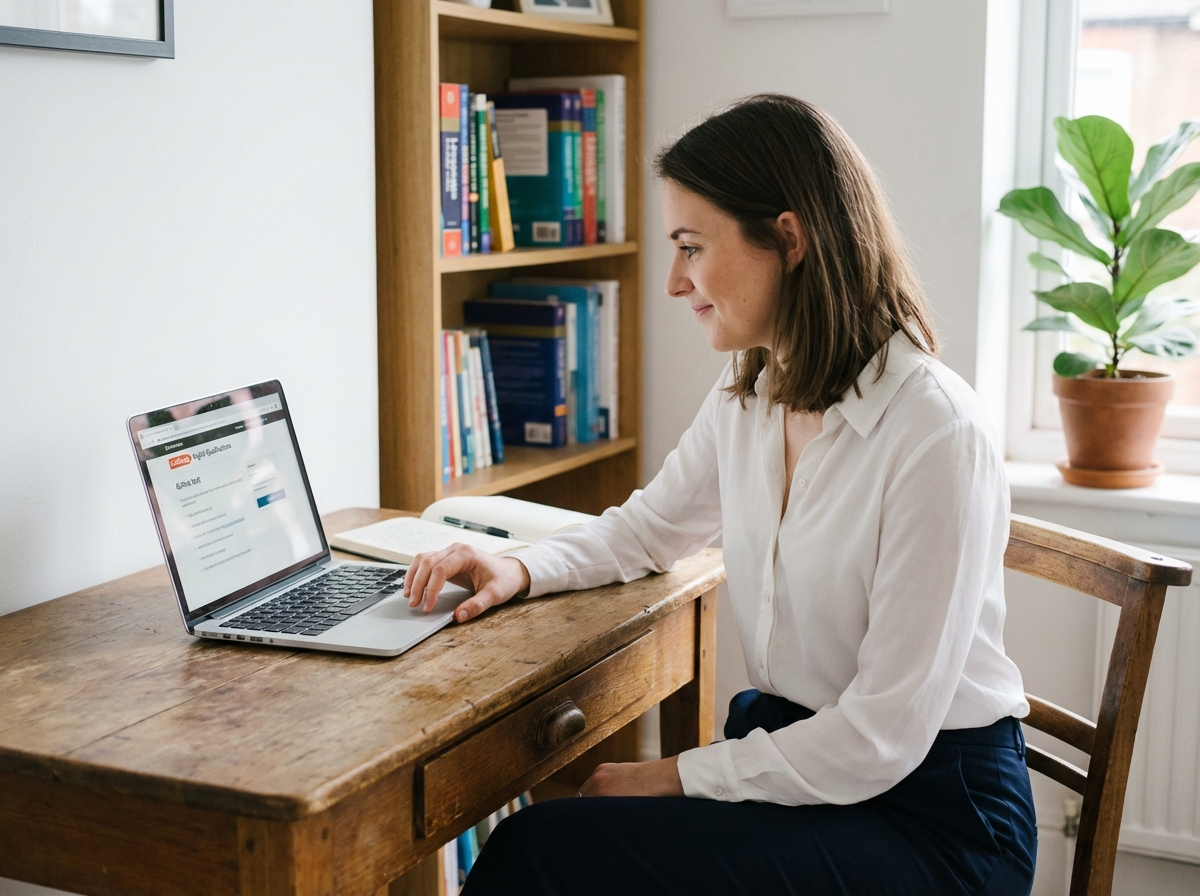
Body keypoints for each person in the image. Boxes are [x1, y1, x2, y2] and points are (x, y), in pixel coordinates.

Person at [403, 94, 1037, 895]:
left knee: (545, 852)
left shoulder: (937, 434)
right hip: (814, 765)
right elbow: (645, 532)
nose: (674, 282)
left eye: (692, 248)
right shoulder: (752, 396)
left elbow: (881, 737)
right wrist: (519, 569)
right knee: (555, 845)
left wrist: (671, 774)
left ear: (789, 238)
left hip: (936, 819)